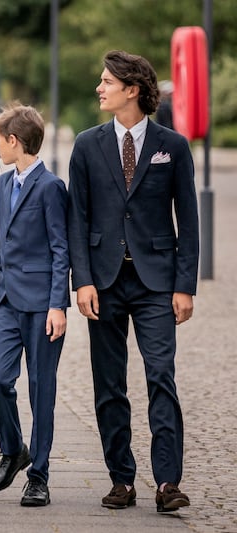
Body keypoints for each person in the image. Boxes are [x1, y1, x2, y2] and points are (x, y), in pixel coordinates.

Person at [67, 50, 199, 513]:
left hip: (157, 283)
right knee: (109, 383)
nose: (100, 88)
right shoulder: (86, 144)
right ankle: (121, 478)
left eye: (107, 82)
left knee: (161, 375)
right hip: (103, 283)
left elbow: (189, 218)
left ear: (133, 89)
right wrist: (81, 281)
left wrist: (185, 285)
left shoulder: (173, 146)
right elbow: (77, 220)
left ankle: (167, 483)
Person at [0, 103, 69, 506]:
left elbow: (60, 249)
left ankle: (39, 476)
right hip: (9, 302)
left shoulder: (50, 187)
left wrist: (57, 305)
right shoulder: (2, 183)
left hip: (42, 305)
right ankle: (14, 449)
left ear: (14, 141)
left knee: (40, 389)